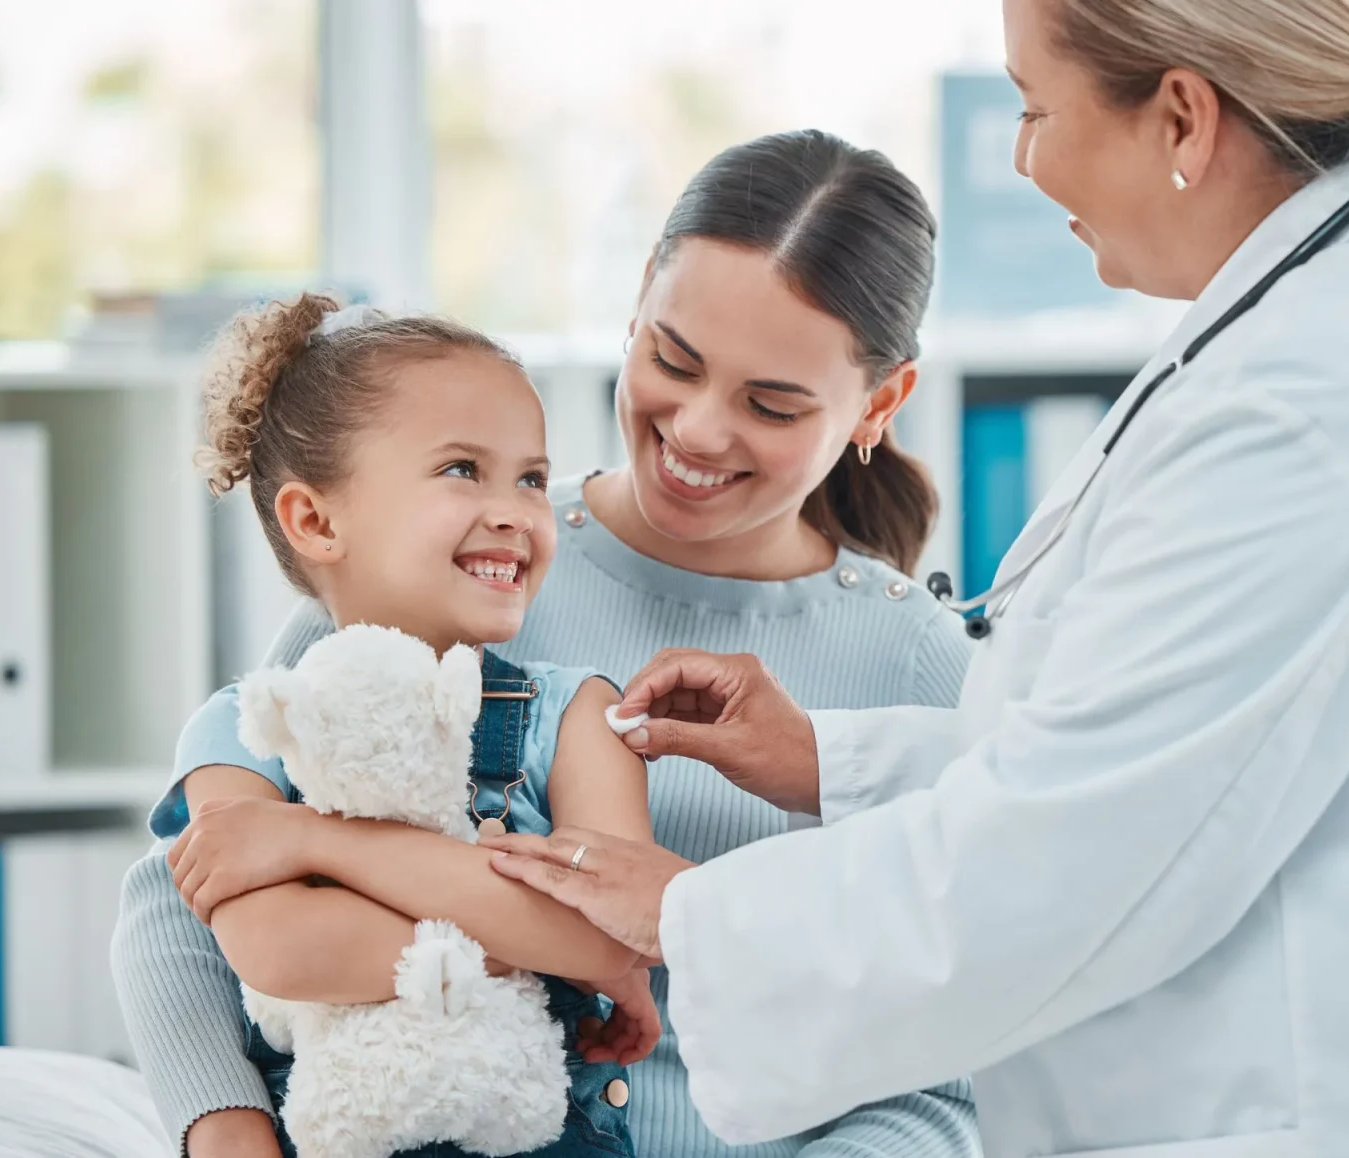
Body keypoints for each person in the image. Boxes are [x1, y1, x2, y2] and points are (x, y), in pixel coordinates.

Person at [480, 2, 1349, 1156]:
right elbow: (1138, 754)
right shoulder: (1318, 334)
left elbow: (1069, 857)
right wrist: (825, 760)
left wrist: (684, 914)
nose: (1021, 157)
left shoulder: (1316, 408)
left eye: (1034, 109)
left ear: (1182, 118)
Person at [110, 131, 982, 1158]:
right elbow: (183, 900)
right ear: (638, 303)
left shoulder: (916, 666)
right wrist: (228, 1128)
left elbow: (936, 1073)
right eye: (673, 359)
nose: (699, 430)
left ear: (879, 404)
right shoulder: (450, 572)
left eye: (771, 404)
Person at [142, 291, 664, 1157]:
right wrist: (535, 940)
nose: (516, 510)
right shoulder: (241, 732)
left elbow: (610, 932)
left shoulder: (579, 717)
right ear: (316, 520)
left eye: (531, 477)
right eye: (462, 469)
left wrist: (316, 844)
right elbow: (280, 952)